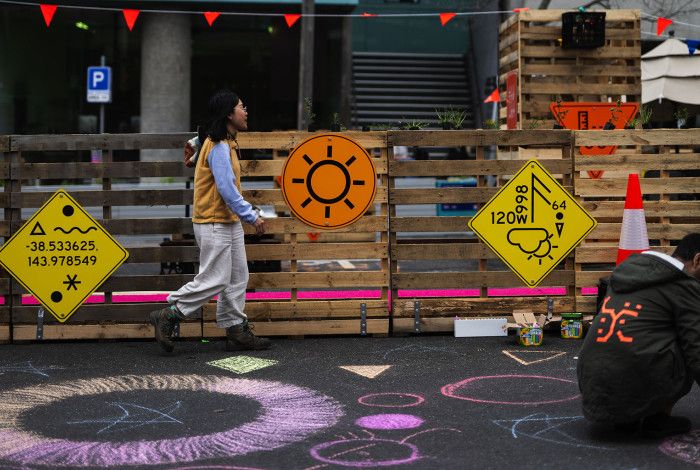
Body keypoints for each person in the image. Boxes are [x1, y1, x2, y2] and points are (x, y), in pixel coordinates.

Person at [149, 89, 271, 353]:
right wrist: (252, 215)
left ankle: (236, 329)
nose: (246, 111)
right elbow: (227, 189)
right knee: (215, 279)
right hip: (214, 221)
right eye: (242, 107)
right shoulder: (218, 147)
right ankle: (170, 313)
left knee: (238, 277)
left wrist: (194, 145)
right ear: (229, 113)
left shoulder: (221, 142)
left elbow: (199, 145)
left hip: (226, 221)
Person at [577, 233, 700, 438]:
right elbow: (697, 349)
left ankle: (627, 419)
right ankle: (658, 418)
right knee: (687, 338)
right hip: (634, 377)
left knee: (638, 335)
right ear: (698, 260)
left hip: (593, 386)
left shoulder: (625, 274)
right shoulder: (684, 285)